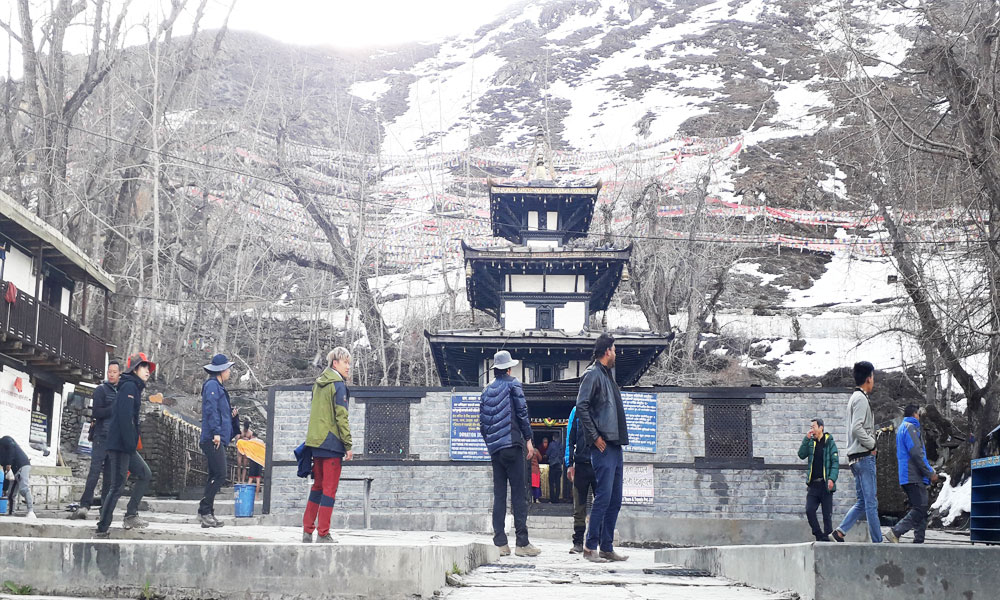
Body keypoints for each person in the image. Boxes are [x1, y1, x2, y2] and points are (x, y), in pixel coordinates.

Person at [479, 350, 541, 557]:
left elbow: (482, 425)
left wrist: (491, 444)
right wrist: (529, 439)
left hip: (495, 450)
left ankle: (500, 543)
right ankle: (522, 543)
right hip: (513, 446)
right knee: (518, 494)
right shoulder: (513, 384)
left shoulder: (486, 391)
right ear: (508, 368)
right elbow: (522, 413)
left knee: (499, 495)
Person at [575, 333, 629, 563]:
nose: (616, 353)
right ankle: (589, 546)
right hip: (603, 446)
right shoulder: (593, 374)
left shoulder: (608, 376)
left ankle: (607, 546)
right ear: (607, 351)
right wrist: (594, 436)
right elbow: (581, 406)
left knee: (615, 498)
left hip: (615, 446)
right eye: (614, 349)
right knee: (603, 497)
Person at [95, 352, 154, 537]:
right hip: (121, 445)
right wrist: (130, 444)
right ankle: (102, 527)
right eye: (144, 367)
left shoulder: (133, 387)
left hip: (126, 445)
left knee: (144, 474)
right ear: (135, 368)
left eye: (148, 369)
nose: (148, 372)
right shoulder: (129, 386)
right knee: (117, 486)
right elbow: (124, 417)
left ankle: (130, 514)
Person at [302, 347, 354, 543]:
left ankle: (307, 531)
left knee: (317, 487)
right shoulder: (338, 385)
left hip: (316, 442)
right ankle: (323, 533)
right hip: (332, 444)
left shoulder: (318, 384)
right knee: (329, 490)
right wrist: (348, 445)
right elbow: (342, 417)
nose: (349, 366)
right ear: (335, 363)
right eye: (345, 362)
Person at [832, 361, 881, 543]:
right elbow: (857, 428)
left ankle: (840, 532)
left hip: (855, 458)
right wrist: (872, 445)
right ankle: (878, 542)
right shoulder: (860, 398)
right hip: (863, 456)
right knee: (871, 502)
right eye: (873, 377)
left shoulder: (854, 397)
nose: (873, 381)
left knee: (862, 501)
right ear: (869, 378)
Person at [71, 360, 120, 519]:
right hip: (101, 435)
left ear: (119, 373)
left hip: (115, 438)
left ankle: (105, 509)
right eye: (109, 371)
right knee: (94, 471)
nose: (111, 374)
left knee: (109, 476)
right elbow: (96, 413)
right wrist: (114, 408)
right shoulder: (101, 390)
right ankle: (85, 504)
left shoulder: (121, 391)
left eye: (114, 372)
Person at [198, 353, 240, 528]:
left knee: (215, 475)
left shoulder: (218, 388)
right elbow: (211, 409)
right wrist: (216, 432)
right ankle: (204, 510)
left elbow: (220, 413)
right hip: (212, 438)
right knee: (221, 473)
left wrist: (232, 419)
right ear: (221, 370)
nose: (230, 371)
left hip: (217, 437)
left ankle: (208, 513)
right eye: (228, 369)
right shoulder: (212, 386)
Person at [885, 405, 938, 543]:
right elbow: (917, 453)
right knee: (920, 509)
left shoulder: (903, 428)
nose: (919, 417)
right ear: (915, 414)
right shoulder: (910, 428)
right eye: (919, 414)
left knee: (921, 508)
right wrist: (930, 472)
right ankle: (896, 531)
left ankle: (919, 541)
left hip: (908, 476)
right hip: (913, 476)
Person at [797, 418, 839, 541]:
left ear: (821, 427)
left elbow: (835, 463)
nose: (812, 430)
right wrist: (806, 439)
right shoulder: (810, 442)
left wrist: (832, 479)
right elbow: (801, 454)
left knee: (827, 516)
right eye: (811, 427)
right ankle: (819, 536)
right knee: (809, 510)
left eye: (813, 427)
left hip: (825, 485)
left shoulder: (829, 442)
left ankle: (828, 541)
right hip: (813, 485)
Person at [565, 405, 596, 554]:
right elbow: (569, 439)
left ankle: (599, 542)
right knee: (579, 507)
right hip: (581, 466)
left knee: (602, 505)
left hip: (599, 465)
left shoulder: (602, 408)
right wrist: (569, 464)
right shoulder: (576, 411)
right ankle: (577, 542)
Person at [0, 435, 35, 518]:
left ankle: (31, 511)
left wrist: (9, 463)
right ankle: (11, 513)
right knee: (10, 494)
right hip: (13, 471)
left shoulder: (5, 440)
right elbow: (6, 472)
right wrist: (4, 489)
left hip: (22, 464)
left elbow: (12, 447)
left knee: (24, 488)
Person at [547, 433, 563, 503]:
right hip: (559, 466)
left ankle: (552, 499)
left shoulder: (551, 444)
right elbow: (563, 454)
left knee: (551, 483)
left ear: (553, 437)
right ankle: (557, 499)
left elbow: (547, 453)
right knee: (558, 483)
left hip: (552, 466)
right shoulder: (561, 445)